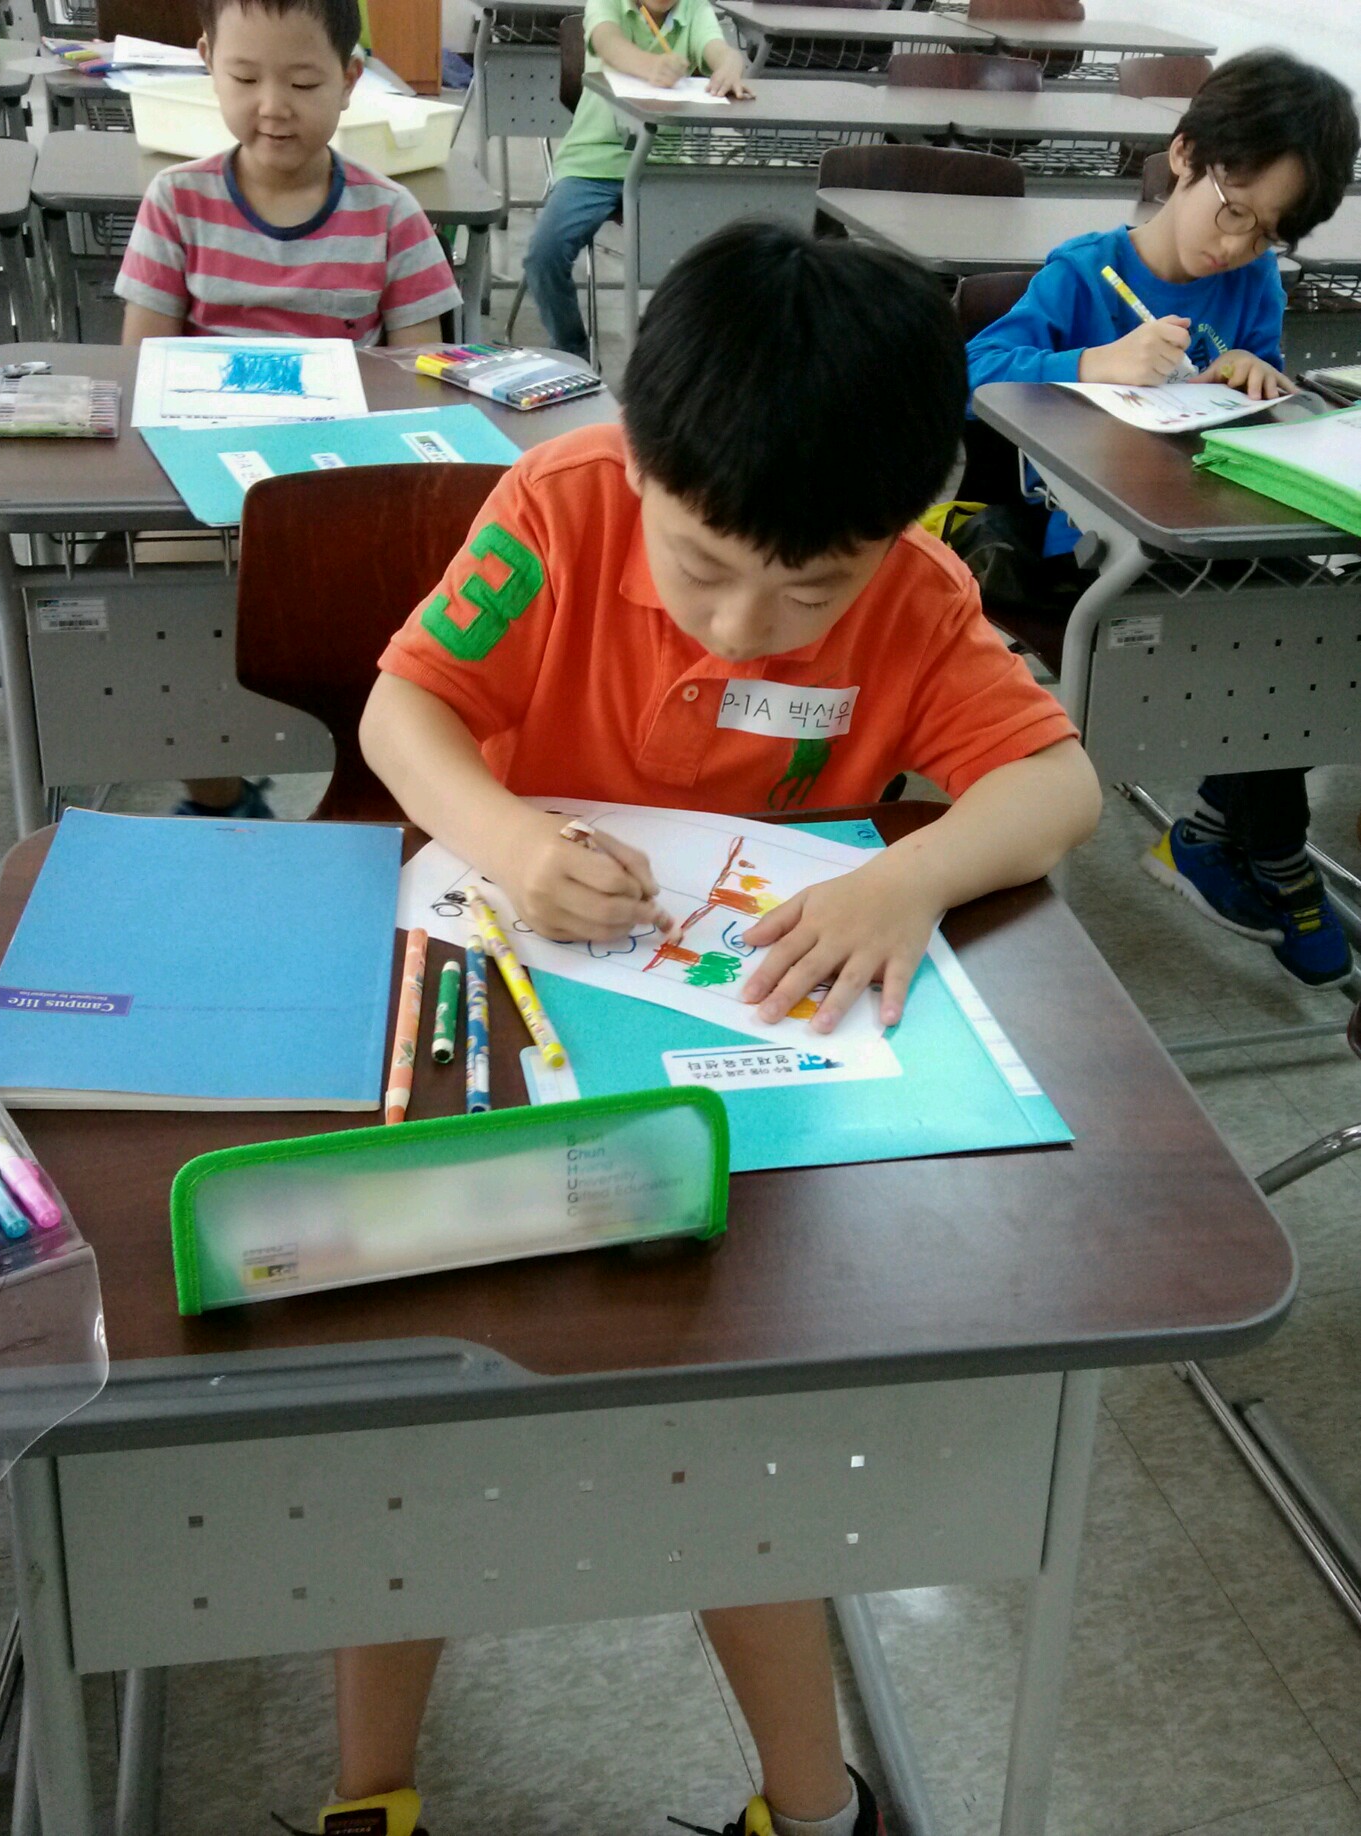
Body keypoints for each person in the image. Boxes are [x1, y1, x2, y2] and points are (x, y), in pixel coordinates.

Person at [318, 220, 1102, 1836]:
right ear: (640, 466)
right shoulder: (560, 506)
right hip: (505, 1016)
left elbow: (1057, 784)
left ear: (906, 523)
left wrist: (909, 878)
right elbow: (407, 708)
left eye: (808, 588)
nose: (744, 628)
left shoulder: (915, 595)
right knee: (411, 1437)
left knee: (740, 1451)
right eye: (700, 570)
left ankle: (811, 1808)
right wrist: (512, 839)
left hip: (749, 1083)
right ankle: (368, 1793)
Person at [966, 50, 1360, 989]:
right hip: (1090, 542)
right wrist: (1091, 365)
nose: (1237, 248)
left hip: (1207, 530)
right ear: (1184, 156)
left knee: (1301, 628)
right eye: (1233, 212)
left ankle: (1226, 832)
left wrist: (1254, 375)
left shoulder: (1252, 284)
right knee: (1259, 641)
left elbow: (1249, 386)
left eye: (1267, 235)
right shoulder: (1085, 273)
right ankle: (1266, 848)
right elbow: (974, 371)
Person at [115, 0, 461, 820]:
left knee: (414, 609)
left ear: (349, 78)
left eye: (303, 83)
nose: (273, 106)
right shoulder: (176, 202)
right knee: (152, 613)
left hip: (341, 488)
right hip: (203, 492)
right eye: (244, 77)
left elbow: (420, 382)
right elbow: (141, 373)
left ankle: (376, 796)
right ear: (208, 61)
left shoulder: (390, 217)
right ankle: (219, 793)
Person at [522, 0, 750, 359]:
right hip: (593, 162)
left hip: (661, 166)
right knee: (544, 254)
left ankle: (678, 357)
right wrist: (651, 66)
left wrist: (730, 64)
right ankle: (571, 351)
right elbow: (608, 42)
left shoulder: (693, 9)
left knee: (711, 258)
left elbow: (716, 48)